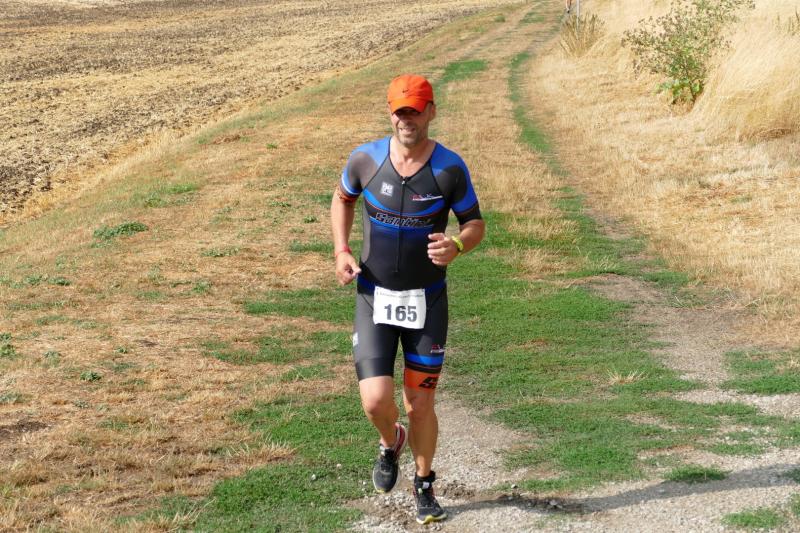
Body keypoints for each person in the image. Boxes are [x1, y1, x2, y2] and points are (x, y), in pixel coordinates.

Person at [330, 73, 485, 525]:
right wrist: (341, 251)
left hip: (427, 302)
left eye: (415, 111)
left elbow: (475, 224)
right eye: (400, 111)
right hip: (373, 298)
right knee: (375, 401)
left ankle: (423, 484)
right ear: (390, 113)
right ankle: (390, 441)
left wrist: (458, 245)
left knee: (420, 403)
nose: (407, 120)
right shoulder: (365, 159)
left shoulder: (449, 168)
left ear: (431, 112)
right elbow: (342, 199)